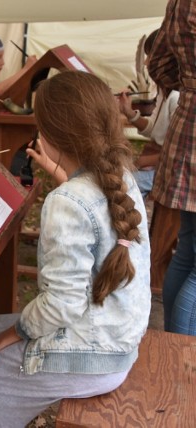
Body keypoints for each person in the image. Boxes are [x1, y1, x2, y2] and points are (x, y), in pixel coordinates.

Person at [0, 71, 151, 427]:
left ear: (48, 133)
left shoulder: (67, 203)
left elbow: (61, 305)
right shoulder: (121, 175)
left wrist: (18, 332)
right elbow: (96, 215)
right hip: (118, 342)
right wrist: (63, 176)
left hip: (87, 356)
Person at [117, 29, 181, 296]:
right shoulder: (167, 93)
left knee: (122, 185)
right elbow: (155, 130)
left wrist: (142, 161)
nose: (145, 65)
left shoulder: (177, 96)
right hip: (160, 164)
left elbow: (176, 149)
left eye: (150, 58)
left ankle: (125, 250)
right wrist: (130, 114)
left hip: (170, 172)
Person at [146, 0, 196, 335]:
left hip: (187, 125)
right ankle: (185, 358)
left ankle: (175, 349)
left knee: (186, 251)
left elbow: (159, 63)